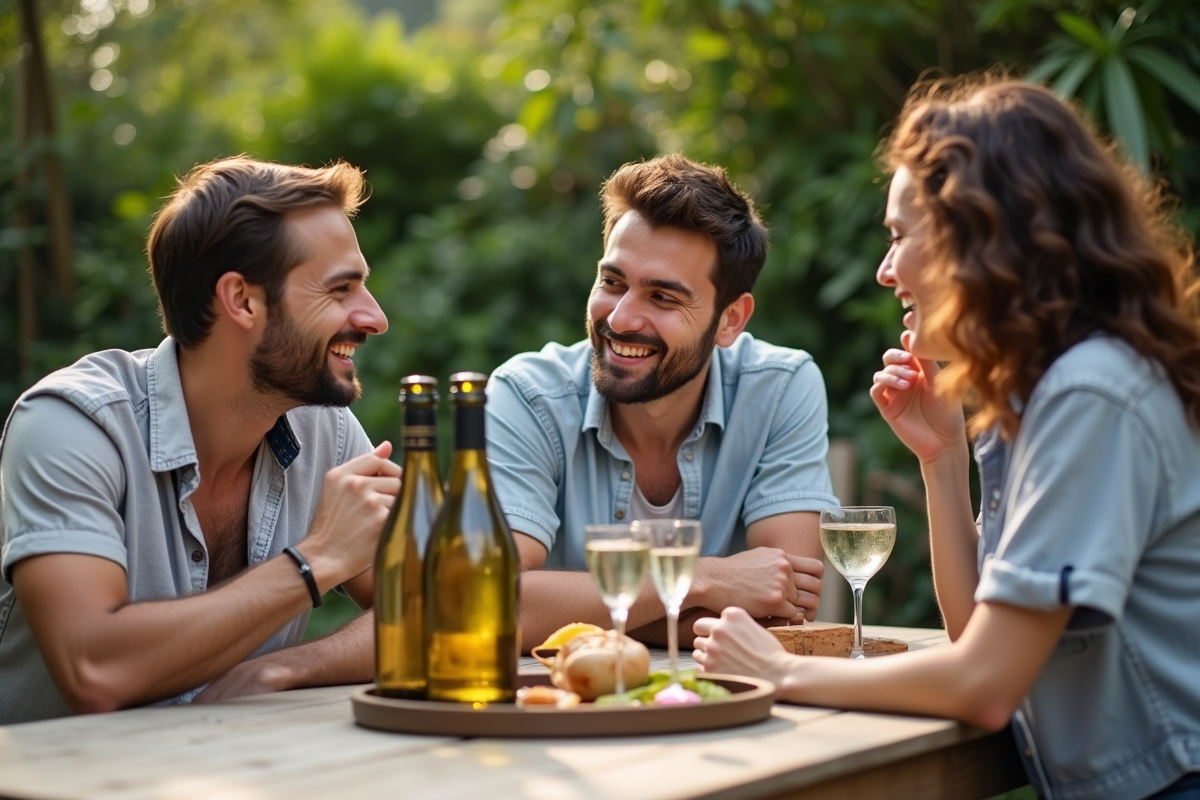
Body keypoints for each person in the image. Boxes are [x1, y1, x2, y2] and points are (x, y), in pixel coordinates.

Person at [692, 77, 1200, 800]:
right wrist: (942, 457)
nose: (885, 270)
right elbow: (976, 635)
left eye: (900, 235)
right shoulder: (1038, 395)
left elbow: (984, 685)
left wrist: (778, 670)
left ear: (980, 232)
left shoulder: (1091, 392)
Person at [0, 156, 402, 724]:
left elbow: (435, 610)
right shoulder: (73, 424)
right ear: (242, 300)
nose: (375, 318)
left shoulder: (324, 430)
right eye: (341, 289)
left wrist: (291, 666)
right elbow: (94, 670)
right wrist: (316, 560)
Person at [486, 154, 839, 651]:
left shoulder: (779, 387)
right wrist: (704, 578)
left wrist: (564, 607)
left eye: (663, 297)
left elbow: (784, 613)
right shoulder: (527, 395)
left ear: (730, 320)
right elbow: (491, 602)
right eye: (613, 283)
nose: (620, 319)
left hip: (725, 697)